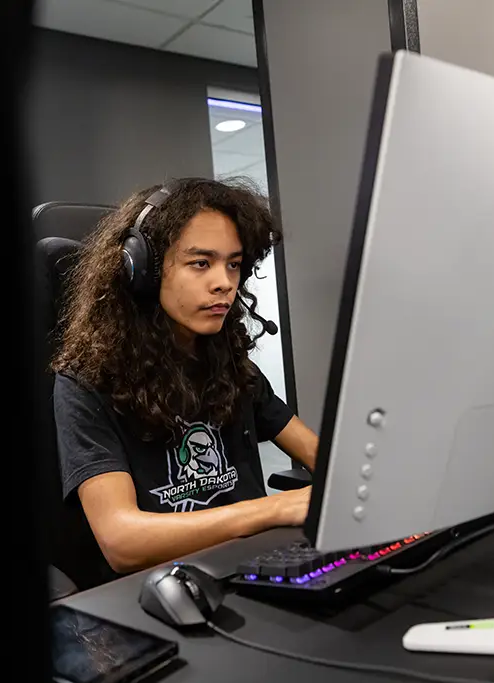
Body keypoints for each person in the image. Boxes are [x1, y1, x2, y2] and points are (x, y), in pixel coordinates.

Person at [51, 177, 318, 577]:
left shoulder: (232, 365)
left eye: (233, 264)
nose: (224, 282)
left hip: (253, 571)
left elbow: (328, 462)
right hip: (158, 592)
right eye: (200, 263)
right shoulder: (86, 382)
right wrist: (273, 509)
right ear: (141, 270)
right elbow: (122, 541)